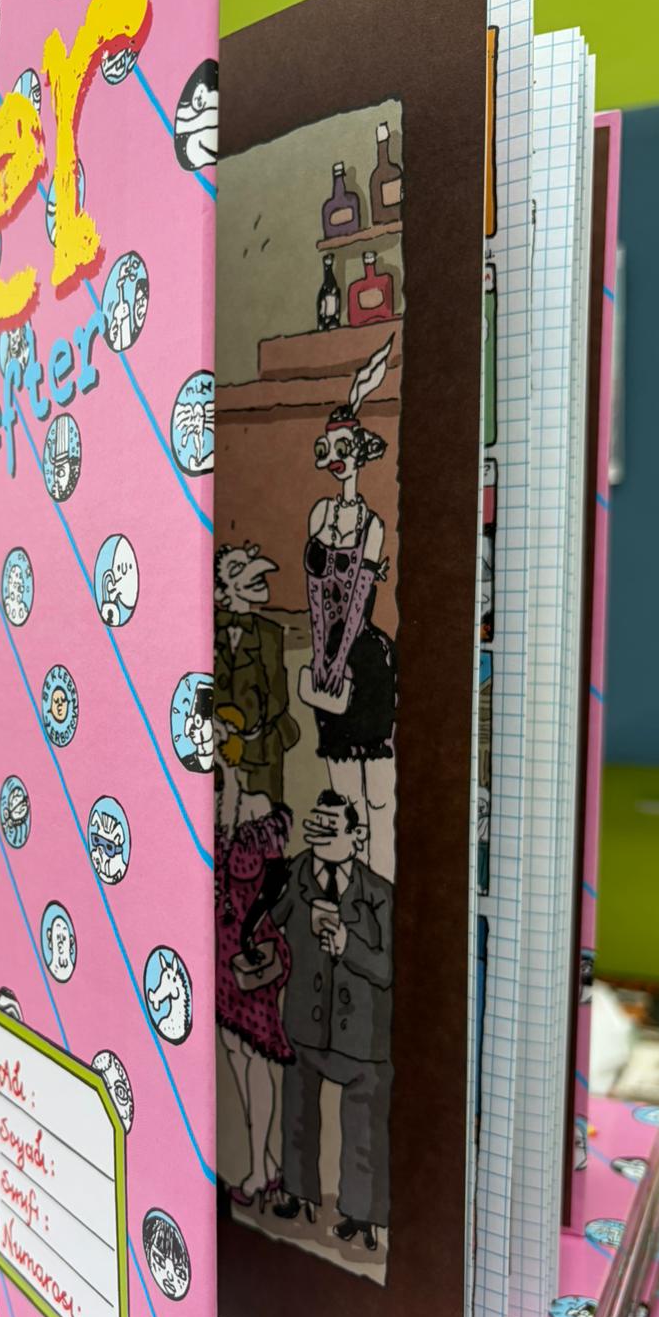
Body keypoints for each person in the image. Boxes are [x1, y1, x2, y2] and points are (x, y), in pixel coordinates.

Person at [261, 791, 394, 1251]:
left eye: (331, 826)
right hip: (304, 1023)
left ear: (356, 836)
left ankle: (362, 1216)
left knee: (363, 1126)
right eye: (316, 824)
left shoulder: (378, 894)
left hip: (361, 1037)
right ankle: (299, 1196)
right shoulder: (297, 874)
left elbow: (387, 968)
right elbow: (271, 924)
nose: (320, 834)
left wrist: (346, 944)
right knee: (297, 1114)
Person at [300, 343, 398, 879]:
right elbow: (316, 595)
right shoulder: (319, 514)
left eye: (343, 447)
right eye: (329, 446)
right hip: (328, 658)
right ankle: (350, 889)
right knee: (343, 795)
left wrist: (336, 664)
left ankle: (380, 885)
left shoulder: (372, 525)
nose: (335, 457)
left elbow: (358, 600)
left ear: (359, 453)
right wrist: (322, 660)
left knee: (378, 795)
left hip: (363, 659)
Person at [214, 708, 293, 1208]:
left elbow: (277, 879)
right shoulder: (211, 806)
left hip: (253, 946)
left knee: (256, 1053)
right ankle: (263, 1162)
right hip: (221, 949)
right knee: (235, 1051)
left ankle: (261, 1168)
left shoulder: (257, 807)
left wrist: (249, 927)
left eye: (221, 742)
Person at [213, 544, 300, 803]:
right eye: (236, 568)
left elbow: (277, 695)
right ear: (221, 591)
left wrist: (244, 731)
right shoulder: (207, 628)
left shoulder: (269, 633)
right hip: (216, 738)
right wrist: (223, 729)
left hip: (262, 741)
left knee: (264, 811)